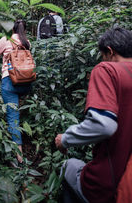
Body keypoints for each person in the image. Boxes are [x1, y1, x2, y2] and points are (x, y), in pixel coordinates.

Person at [55, 26, 132, 203]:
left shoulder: (108, 70)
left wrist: (65, 139)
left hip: (108, 185)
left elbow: (103, 125)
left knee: (68, 165)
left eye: (102, 55)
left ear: (110, 52)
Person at [0, 19, 32, 164]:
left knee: (13, 117)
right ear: (24, 30)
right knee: (19, 111)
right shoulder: (27, 42)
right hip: (26, 83)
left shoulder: (5, 39)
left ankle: (19, 157)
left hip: (10, 82)